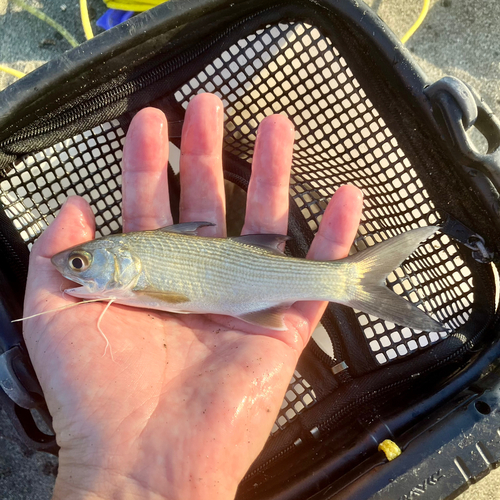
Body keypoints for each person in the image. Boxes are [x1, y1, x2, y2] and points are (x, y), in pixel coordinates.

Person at [22, 93, 363, 500]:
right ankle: (345, 281)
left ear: (120, 262)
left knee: (335, 276)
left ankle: (349, 281)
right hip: (238, 302)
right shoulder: (124, 281)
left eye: (79, 264)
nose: (69, 270)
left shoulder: (137, 282)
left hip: (243, 286)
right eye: (78, 263)